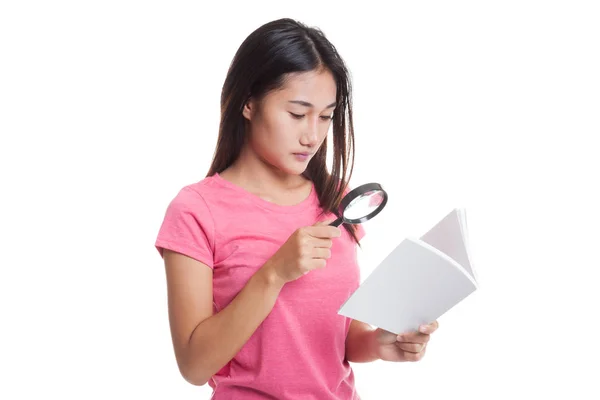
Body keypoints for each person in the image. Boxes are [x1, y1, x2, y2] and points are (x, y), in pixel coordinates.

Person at [154, 17, 439, 399]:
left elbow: (336, 336)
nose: (313, 136)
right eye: (296, 113)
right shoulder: (195, 210)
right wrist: (273, 274)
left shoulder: (336, 199)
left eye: (325, 116)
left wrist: (378, 343)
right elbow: (193, 364)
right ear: (248, 103)